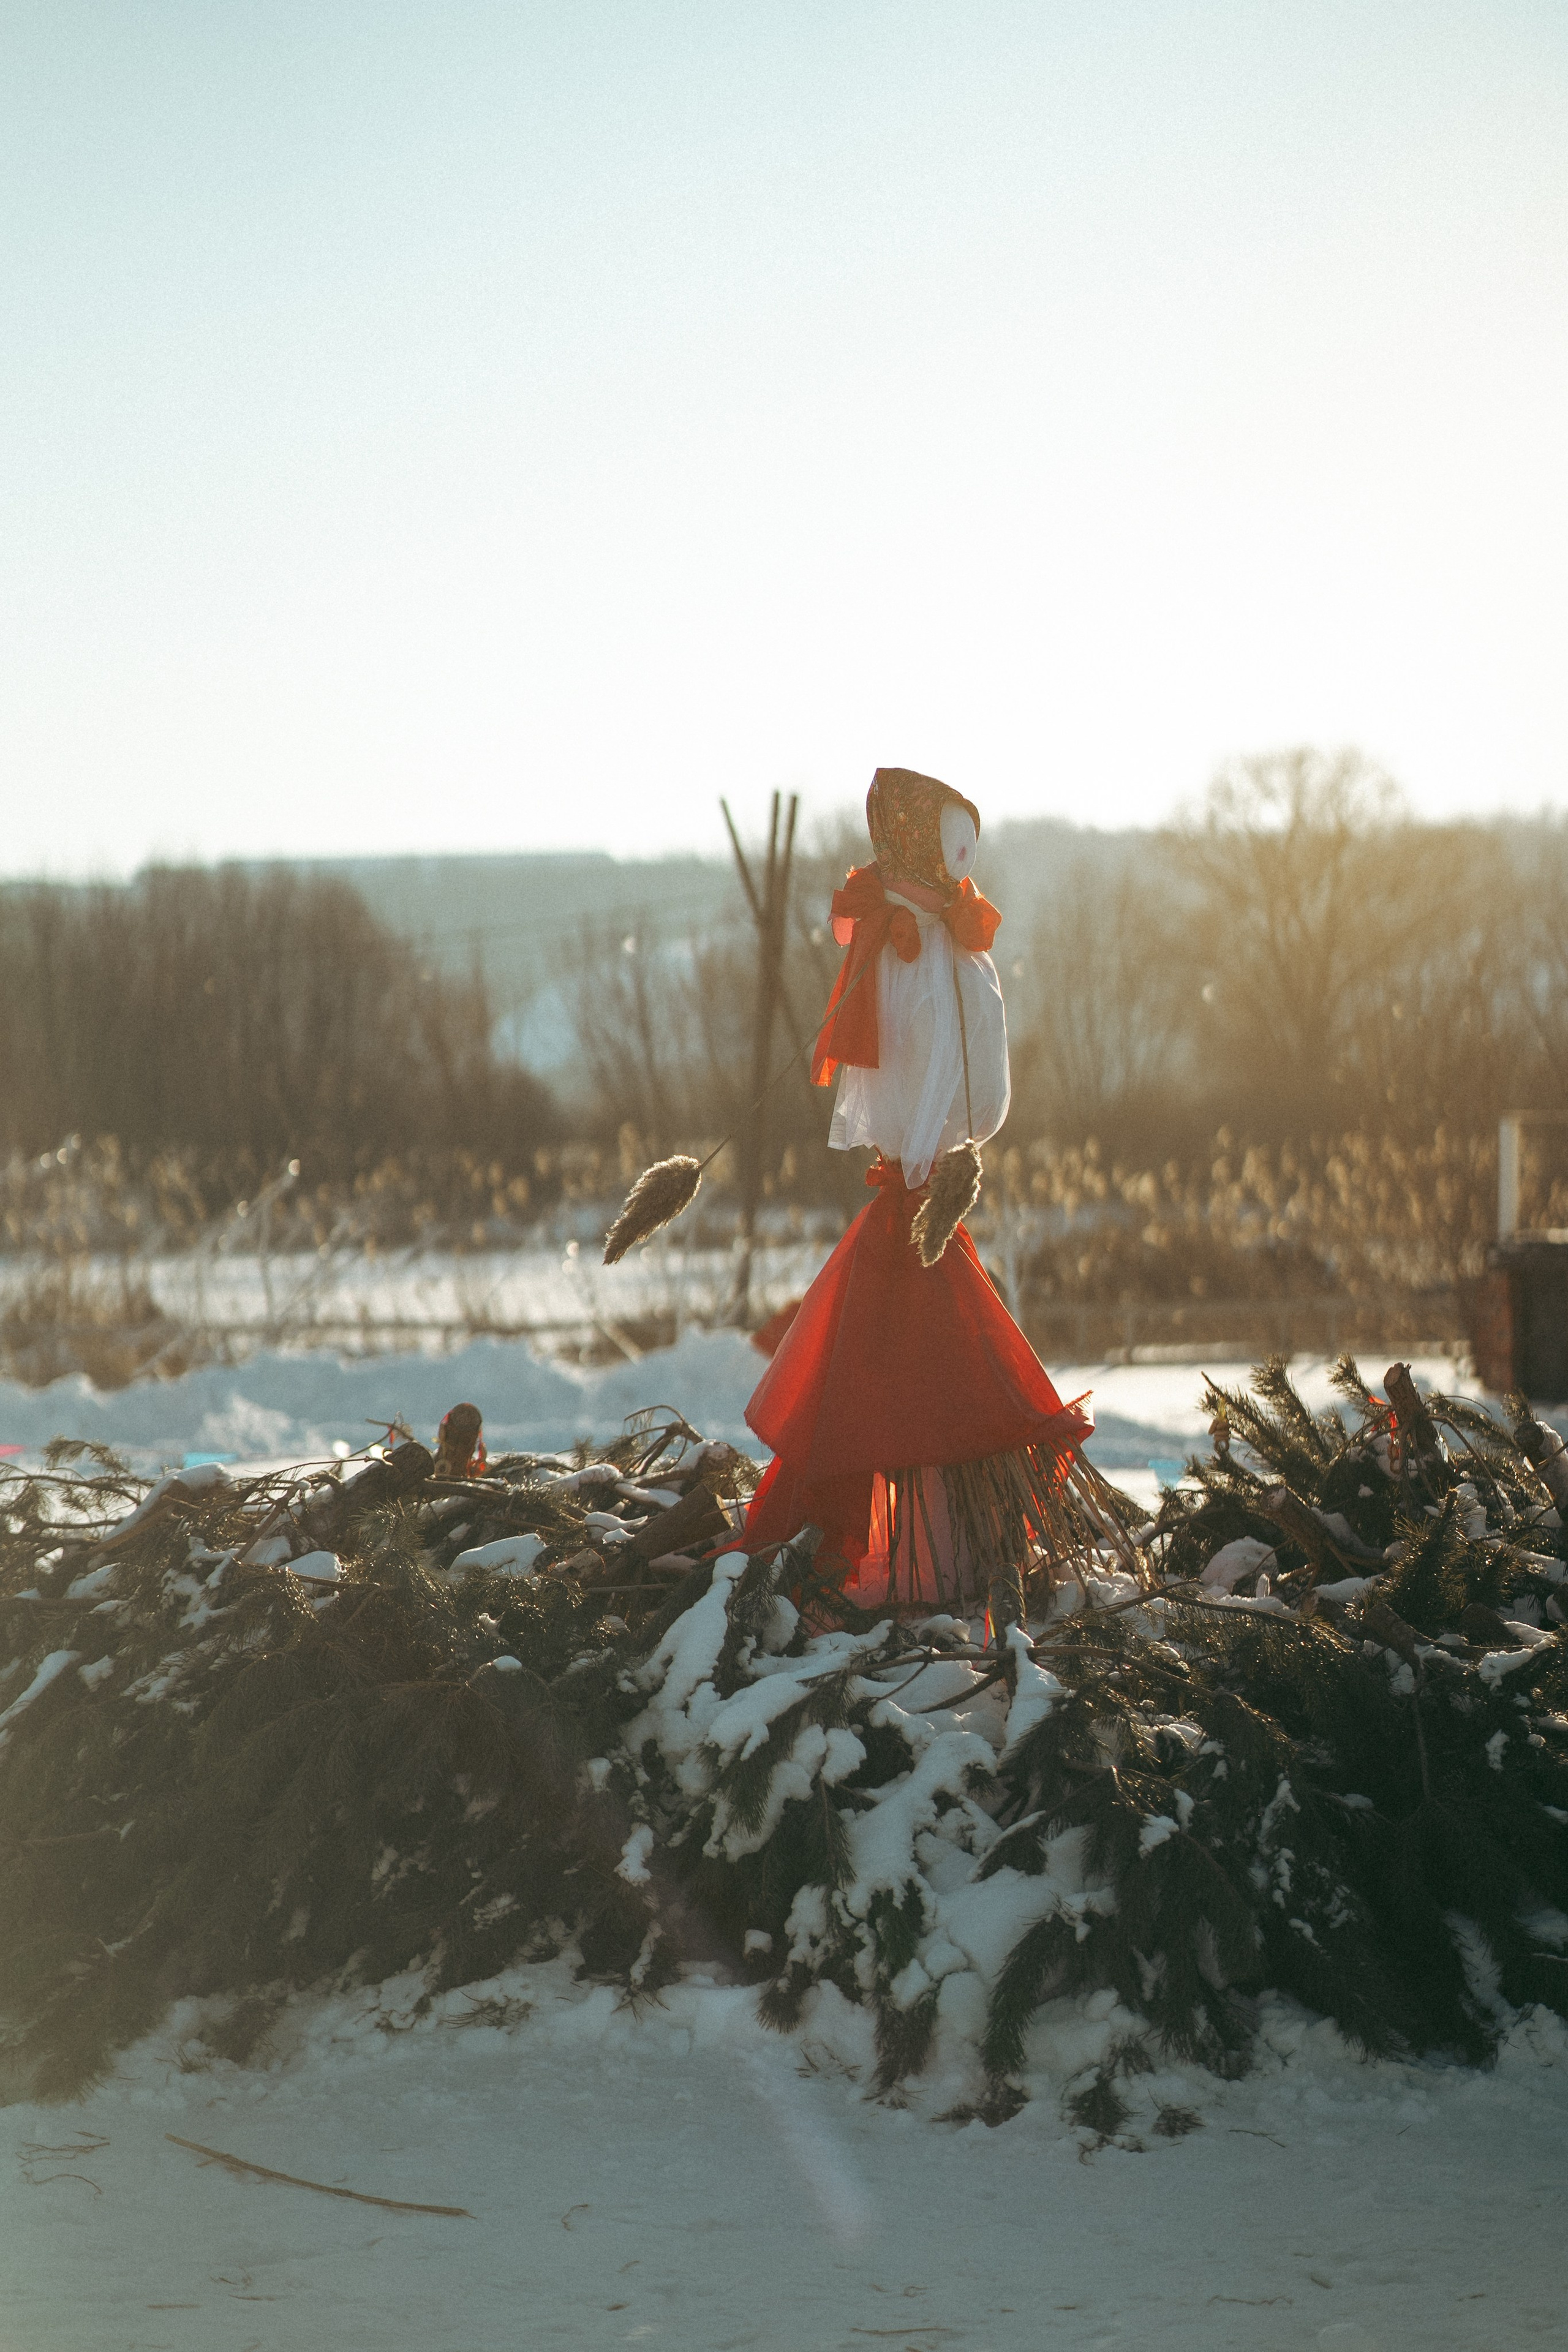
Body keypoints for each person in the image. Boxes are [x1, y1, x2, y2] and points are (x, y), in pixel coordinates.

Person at [741, 767, 1095, 1616]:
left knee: (884, 1366)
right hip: (916, 1190)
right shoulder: (917, 949)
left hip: (918, 1188)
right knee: (918, 1369)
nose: (964, 861)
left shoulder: (922, 942)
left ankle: (920, 1541)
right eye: (951, 843)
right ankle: (922, 1546)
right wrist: (933, 1154)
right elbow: (938, 1070)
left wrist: (932, 1157)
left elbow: (945, 1067)